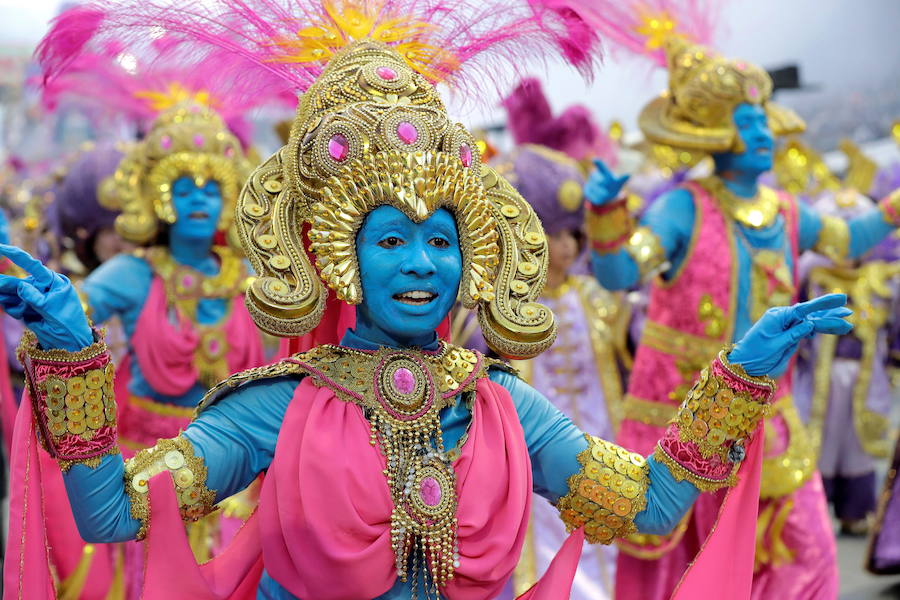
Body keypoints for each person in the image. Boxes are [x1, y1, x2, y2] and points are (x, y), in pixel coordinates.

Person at [2, 2, 853, 599]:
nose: (422, 264)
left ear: (471, 256)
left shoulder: (504, 404)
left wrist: (744, 372)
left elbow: (647, 506)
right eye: (391, 240)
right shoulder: (275, 406)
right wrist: (75, 355)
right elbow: (111, 512)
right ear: (340, 258)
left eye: (442, 240)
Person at [583, 37, 900, 599]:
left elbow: (850, 239)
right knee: (685, 563)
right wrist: (605, 217)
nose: (762, 133)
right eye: (747, 122)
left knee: (804, 550)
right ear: (715, 133)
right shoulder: (683, 206)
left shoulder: (785, 209)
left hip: (768, 415)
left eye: (762, 121)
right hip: (684, 421)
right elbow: (619, 273)